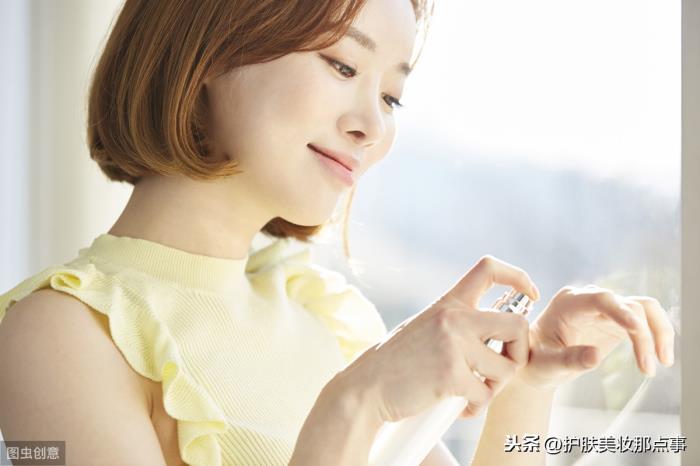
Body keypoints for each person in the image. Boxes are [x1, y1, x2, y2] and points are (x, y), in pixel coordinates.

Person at [0, 0, 675, 465]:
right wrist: (355, 404)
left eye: (391, 96)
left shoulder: (325, 315)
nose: (374, 127)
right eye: (343, 66)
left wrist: (527, 385)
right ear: (206, 51)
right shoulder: (55, 336)